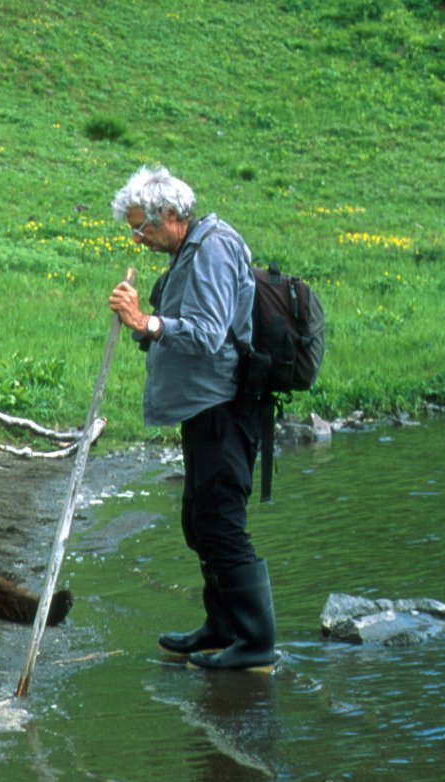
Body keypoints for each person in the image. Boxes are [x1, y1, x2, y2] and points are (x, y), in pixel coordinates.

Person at [107, 165, 276, 671]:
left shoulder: (214, 250)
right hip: (201, 408)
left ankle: (257, 643)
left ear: (174, 216)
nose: (138, 238)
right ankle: (221, 627)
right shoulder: (190, 249)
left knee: (222, 523)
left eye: (143, 227)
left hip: (225, 406)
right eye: (134, 229)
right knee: (199, 521)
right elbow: (182, 323)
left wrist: (145, 321)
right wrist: (142, 323)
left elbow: (207, 334)